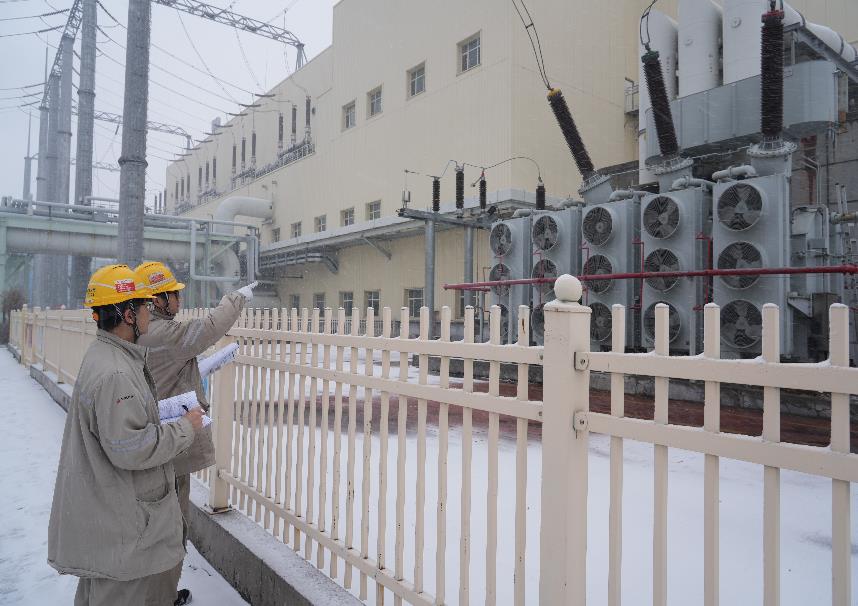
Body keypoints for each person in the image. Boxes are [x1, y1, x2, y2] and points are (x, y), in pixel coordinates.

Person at [48, 264, 204, 606]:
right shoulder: (116, 373)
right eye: (145, 306)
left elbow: (120, 429)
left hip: (113, 525)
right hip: (126, 535)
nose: (150, 312)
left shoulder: (109, 356)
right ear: (128, 314)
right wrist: (184, 427)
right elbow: (132, 448)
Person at [135, 261, 255, 606]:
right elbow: (205, 330)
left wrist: (198, 369)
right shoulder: (159, 333)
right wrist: (236, 298)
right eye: (173, 294)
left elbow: (167, 370)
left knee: (163, 528)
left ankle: (159, 594)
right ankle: (160, 599)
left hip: (160, 443)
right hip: (167, 449)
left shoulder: (147, 333)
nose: (178, 301)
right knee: (171, 531)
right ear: (157, 300)